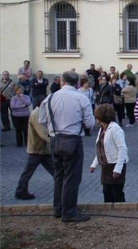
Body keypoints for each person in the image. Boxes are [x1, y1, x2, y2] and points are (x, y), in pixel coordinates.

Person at [39, 71, 95, 222]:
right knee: (72, 176)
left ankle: (58, 208)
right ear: (77, 83)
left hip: (55, 138)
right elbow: (90, 123)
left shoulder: (50, 97)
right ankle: (69, 211)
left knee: (59, 174)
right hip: (73, 139)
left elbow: (42, 120)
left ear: (62, 81)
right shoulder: (81, 98)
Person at [14, 99, 55, 200]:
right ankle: (20, 190)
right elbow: (43, 133)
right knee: (29, 171)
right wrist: (56, 140)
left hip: (42, 149)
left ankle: (63, 184)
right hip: (37, 148)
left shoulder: (41, 112)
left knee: (54, 169)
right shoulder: (37, 114)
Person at [89, 104, 128, 203]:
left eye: (97, 116)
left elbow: (123, 149)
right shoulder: (102, 129)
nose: (95, 118)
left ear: (102, 117)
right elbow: (101, 148)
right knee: (106, 191)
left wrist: (118, 169)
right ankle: (109, 210)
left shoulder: (115, 129)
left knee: (117, 192)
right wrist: (94, 164)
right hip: (106, 165)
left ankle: (119, 212)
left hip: (115, 164)